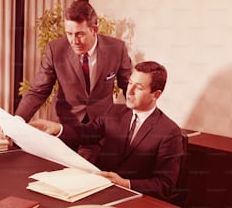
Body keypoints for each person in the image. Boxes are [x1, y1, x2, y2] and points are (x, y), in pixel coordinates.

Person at [29, 61, 183, 202]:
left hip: (137, 199)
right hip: (99, 192)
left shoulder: (169, 132)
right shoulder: (114, 112)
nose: (130, 91)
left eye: (139, 87)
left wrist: (125, 183)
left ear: (156, 95)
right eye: (130, 83)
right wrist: (57, 128)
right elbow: (86, 133)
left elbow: (164, 185)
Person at [15, 0, 132, 125]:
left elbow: (129, 87)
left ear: (94, 30)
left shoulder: (116, 49)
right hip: (64, 125)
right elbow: (38, 91)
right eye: (69, 34)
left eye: (80, 34)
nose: (74, 41)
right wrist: (17, 120)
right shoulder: (56, 50)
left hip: (101, 126)